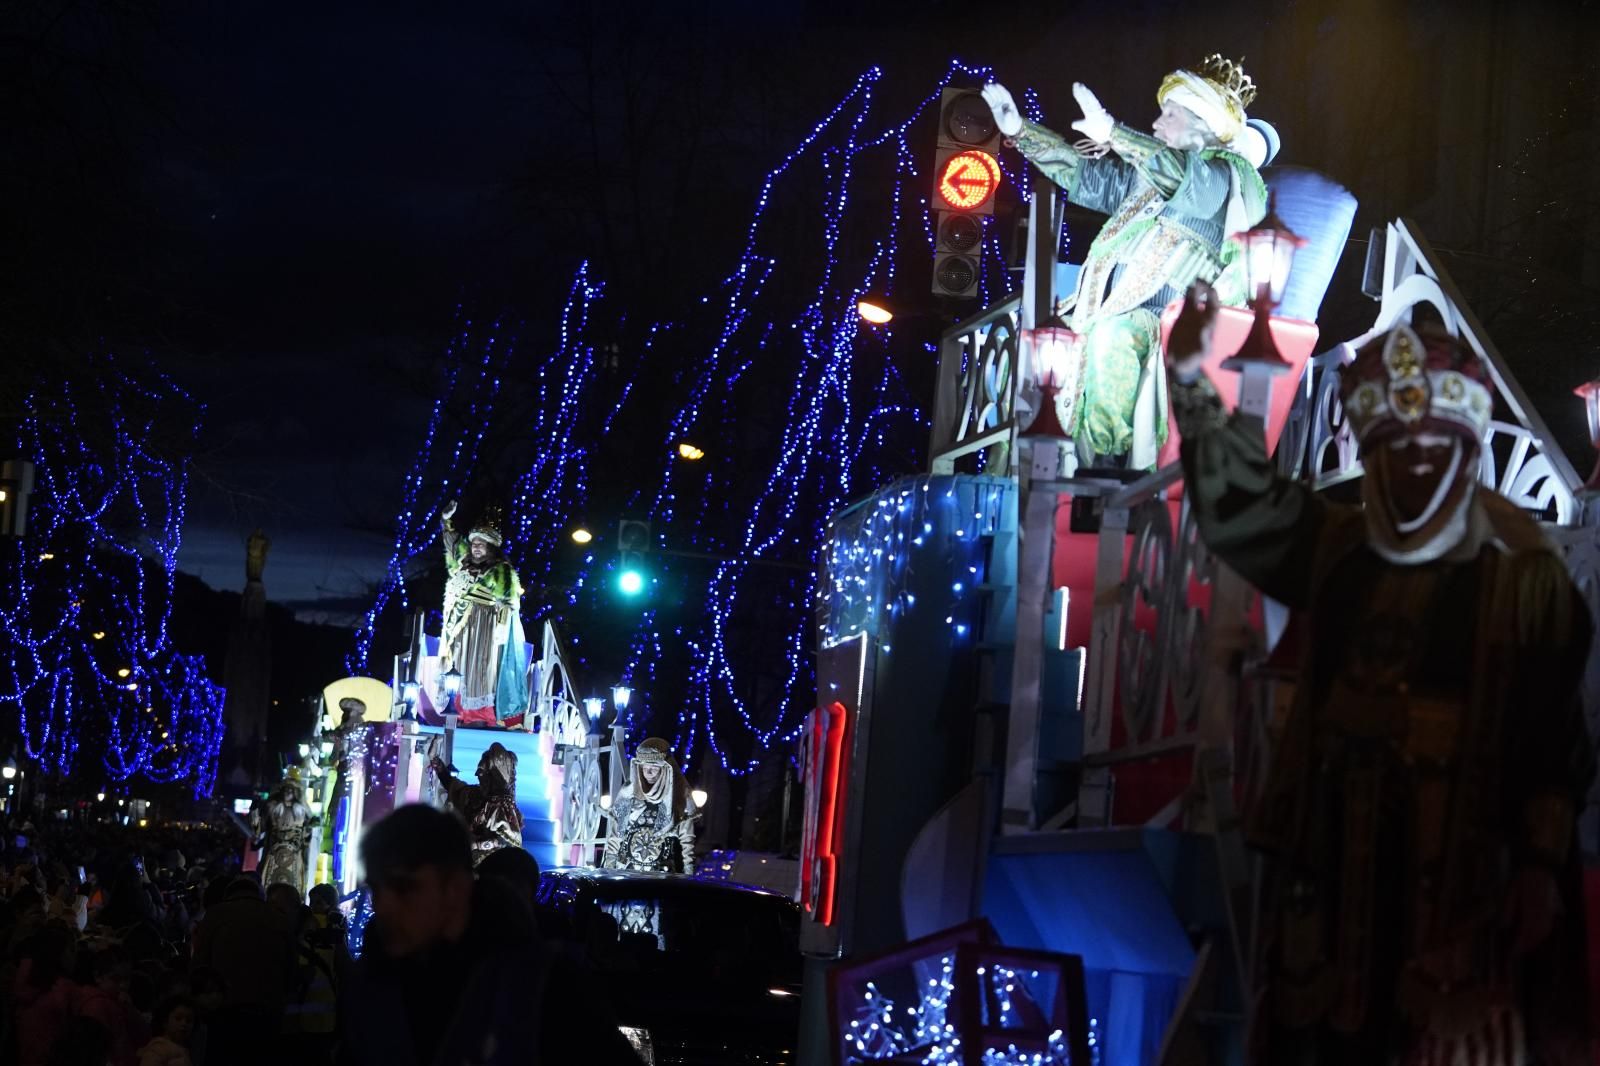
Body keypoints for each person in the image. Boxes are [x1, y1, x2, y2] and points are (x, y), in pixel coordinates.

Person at [1165, 283, 1594, 1064]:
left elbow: (1553, 747)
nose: (1415, 470)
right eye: (1395, 452)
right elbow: (1243, 509)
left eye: (1434, 452)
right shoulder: (1338, 552)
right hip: (1326, 902)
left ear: (1467, 456)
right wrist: (1191, 380)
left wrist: (1535, 867)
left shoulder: (1527, 585)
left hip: (1461, 905)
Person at [981, 56, 1268, 468]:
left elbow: (1183, 182)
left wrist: (1115, 134)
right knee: (1039, 346)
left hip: (1174, 326)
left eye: (1170, 114)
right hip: (1111, 314)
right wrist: (1020, 131)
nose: (1156, 124)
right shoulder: (1146, 180)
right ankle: (1023, 470)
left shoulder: (1223, 177)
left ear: (1203, 125)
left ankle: (1106, 466)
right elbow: (1086, 177)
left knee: (1111, 338)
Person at [338, 804, 641, 1066]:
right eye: (377, 889)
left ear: (454, 887)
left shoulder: (544, 988)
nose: (385, 907)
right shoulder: (374, 982)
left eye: (406, 888)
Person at [439, 501, 529, 724]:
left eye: (482, 544)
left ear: (491, 548)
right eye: (474, 543)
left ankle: (478, 714)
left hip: (485, 624)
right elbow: (452, 543)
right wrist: (446, 520)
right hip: (460, 623)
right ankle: (456, 707)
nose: (476, 547)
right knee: (457, 664)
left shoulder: (501, 570)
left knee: (479, 667)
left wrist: (500, 620)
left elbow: (510, 602)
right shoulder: (462, 564)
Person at [601, 738, 698, 873]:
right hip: (626, 874)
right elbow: (615, 836)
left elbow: (687, 841)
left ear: (665, 769)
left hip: (662, 877)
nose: (648, 773)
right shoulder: (628, 795)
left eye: (654, 768)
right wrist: (609, 869)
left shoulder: (680, 798)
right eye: (645, 768)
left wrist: (689, 872)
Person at [429, 742, 525, 865]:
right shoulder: (475, 794)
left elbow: (508, 841)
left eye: (481, 771)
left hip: (487, 866)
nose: (476, 774)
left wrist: (477, 845)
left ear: (492, 775)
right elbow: (452, 785)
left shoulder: (502, 804)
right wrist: (436, 761)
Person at [253, 774, 315, 899]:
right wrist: (255, 817)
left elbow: (309, 829)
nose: (288, 793)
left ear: (295, 793)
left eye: (291, 790)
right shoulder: (273, 808)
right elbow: (261, 828)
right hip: (275, 850)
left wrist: (307, 832)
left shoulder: (302, 810)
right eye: (286, 790)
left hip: (294, 850)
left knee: (294, 879)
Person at [137, 997, 196, 1066]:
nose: (184, 1024)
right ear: (165, 1022)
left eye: (189, 1021)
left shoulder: (185, 1051)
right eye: (178, 1018)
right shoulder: (158, 1048)